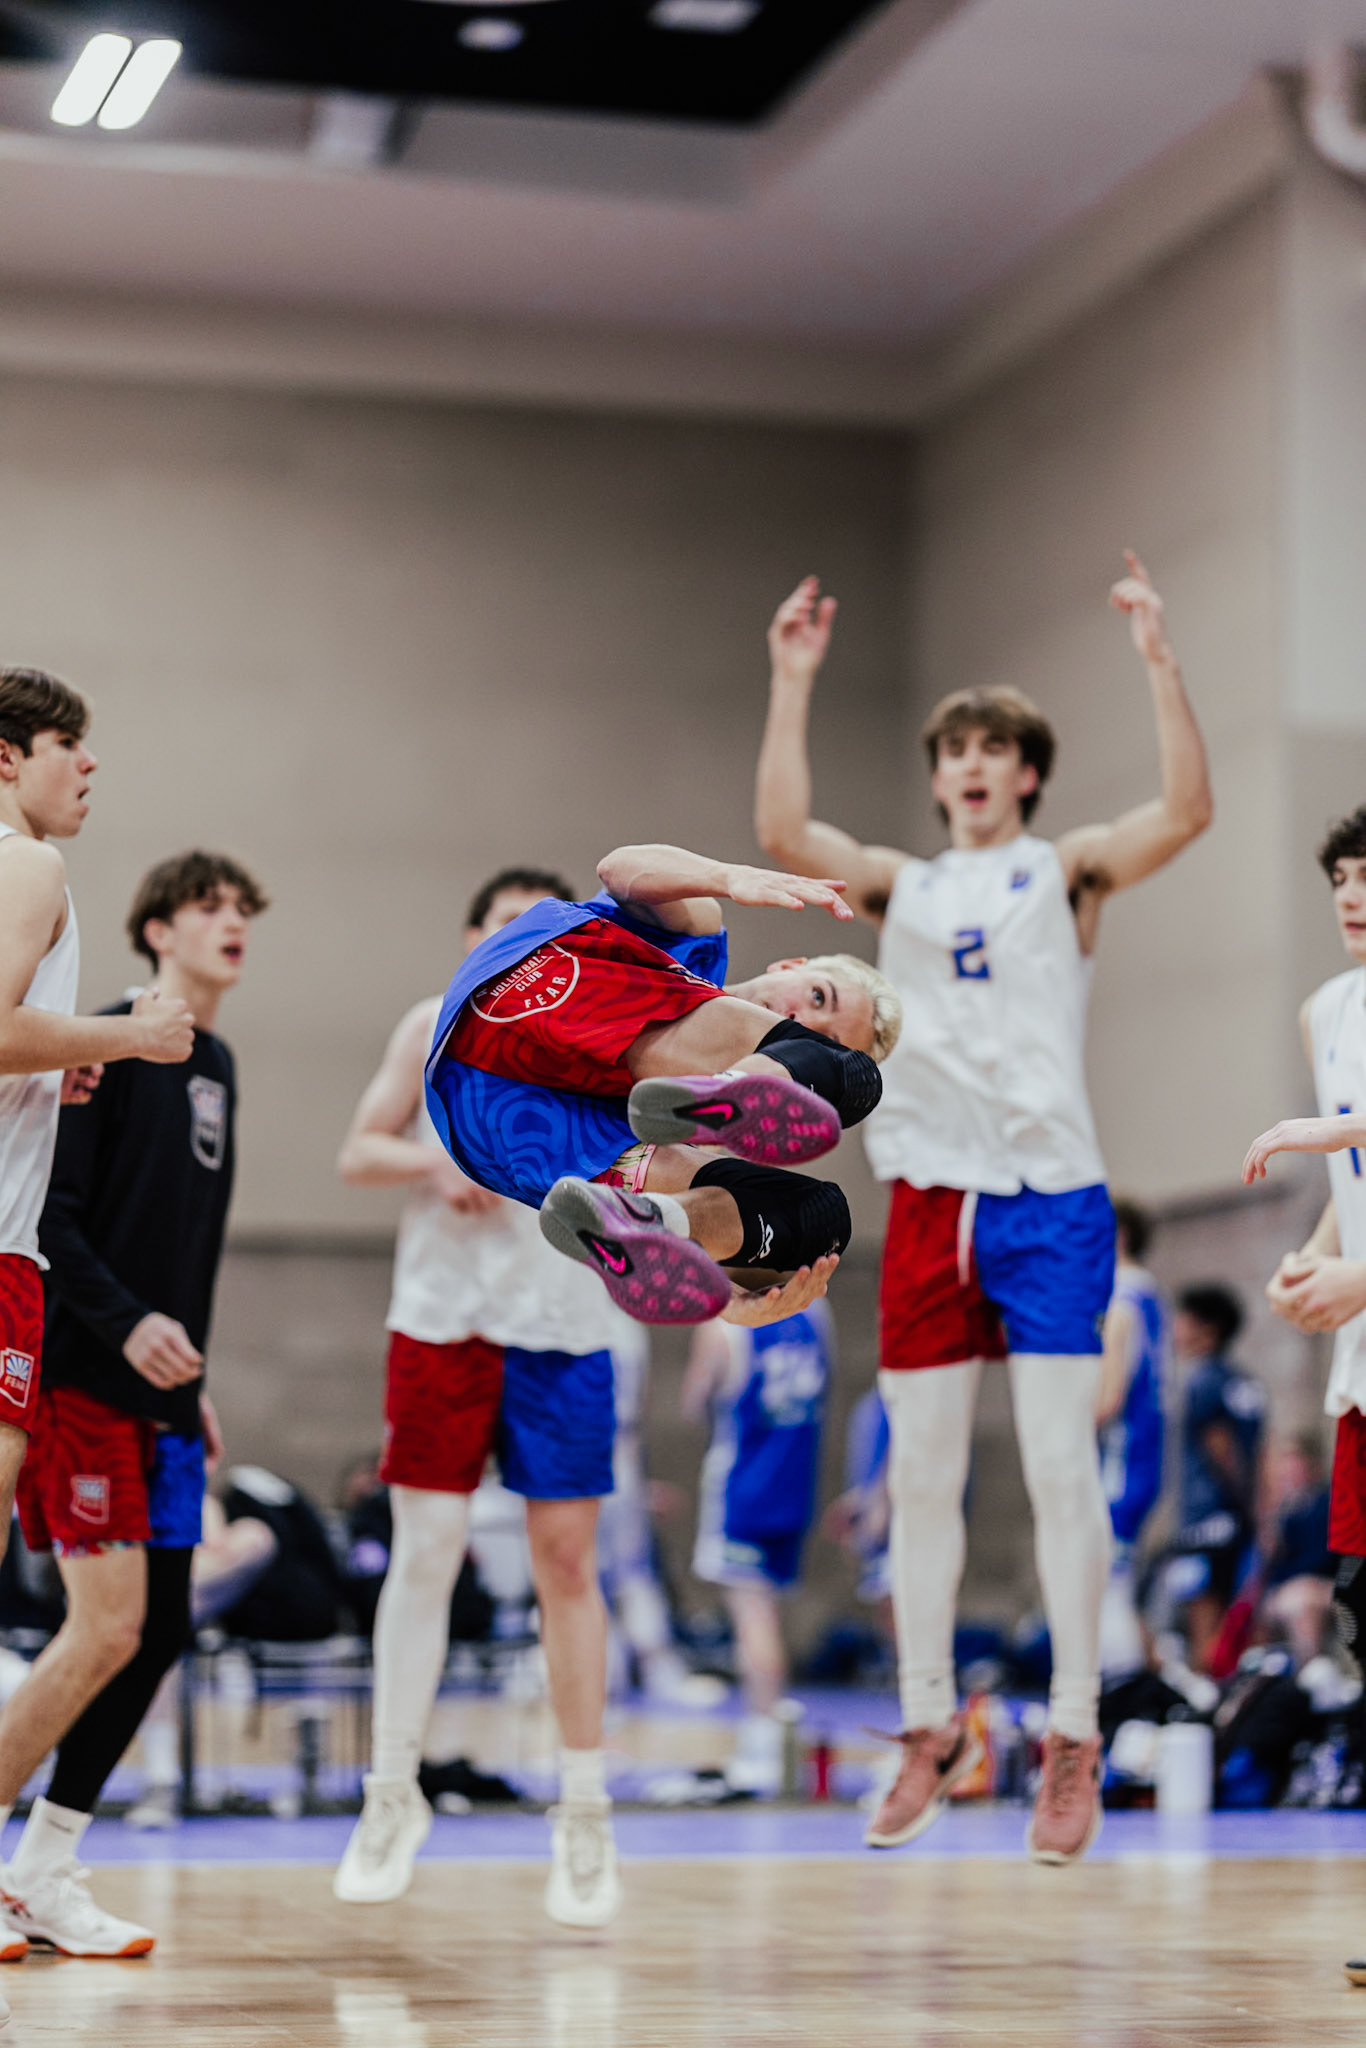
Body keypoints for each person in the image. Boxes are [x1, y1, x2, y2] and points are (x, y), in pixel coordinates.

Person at [753, 555, 1212, 1862]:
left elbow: (1186, 811)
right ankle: (926, 1728)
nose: (967, 764)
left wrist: (1157, 658)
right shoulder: (899, 883)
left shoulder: (1064, 871)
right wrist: (791, 679)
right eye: (952, 748)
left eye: (990, 747)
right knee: (922, 1473)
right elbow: (785, 834)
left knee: (1063, 1468)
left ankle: (1070, 1731)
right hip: (928, 1197)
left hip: (1049, 1195)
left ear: (1025, 772)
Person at [332, 867, 654, 1929]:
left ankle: (585, 1810)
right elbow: (358, 1150)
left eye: (543, 928)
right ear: (473, 936)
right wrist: (434, 1163)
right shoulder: (432, 1021)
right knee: (425, 1552)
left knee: (567, 1563)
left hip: (563, 1326)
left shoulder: (607, 1036)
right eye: (505, 923)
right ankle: (391, 1792)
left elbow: (654, 1164)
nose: (523, 940)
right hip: (443, 1321)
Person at [0, 851, 265, 1959]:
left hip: (163, 1398)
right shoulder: (103, 1043)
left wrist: (190, 1382)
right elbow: (52, 1217)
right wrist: (127, 1326)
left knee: (156, 1632)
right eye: (208, 905)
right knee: (103, 1625)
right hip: (81, 1378)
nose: (232, 921)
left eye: (243, 908)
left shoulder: (220, 1063)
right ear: (156, 929)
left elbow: (185, 1248)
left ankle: (43, 1870)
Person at [0, 672, 194, 2008]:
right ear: (7, 756)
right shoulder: (27, 863)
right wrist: (125, 1036)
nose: (90, 767)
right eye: (71, 744)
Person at [424, 843, 902, 1329]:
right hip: (523, 990)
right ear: (789, 965)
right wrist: (726, 876)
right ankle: (730, 1084)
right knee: (859, 1081)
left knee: (823, 1219)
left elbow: (724, 1260)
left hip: (492, 1123)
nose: (805, 1023)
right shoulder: (697, 941)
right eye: (818, 997)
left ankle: (649, 1218)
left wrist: (728, 1301)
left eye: (824, 1041)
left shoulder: (697, 1132)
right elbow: (617, 868)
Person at [1239, 805, 1366, 1983]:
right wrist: (1314, 1258)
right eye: (1340, 876)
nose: (1352, 894)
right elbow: (1352, 1174)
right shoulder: (1328, 1007)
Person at [683, 1301, 832, 1791]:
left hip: (743, 1489)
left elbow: (694, 1403)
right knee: (769, 1614)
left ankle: (765, 1738)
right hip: (794, 1486)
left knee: (753, 1618)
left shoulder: (725, 1325)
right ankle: (774, 1735)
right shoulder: (816, 1313)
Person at [1164, 1284, 1264, 1672]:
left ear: (1208, 1329)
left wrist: (1244, 1499)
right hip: (1236, 1518)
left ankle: (1207, 1690)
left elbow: (1220, 1445)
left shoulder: (1203, 1381)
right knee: (1234, 1610)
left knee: (1203, 1608)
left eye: (1184, 1320)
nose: (1176, 1328)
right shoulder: (1245, 1382)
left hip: (1209, 1515)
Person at [1095, 1200, 1168, 1681]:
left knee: (1108, 1578)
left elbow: (1109, 1397)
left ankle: (1120, 1685)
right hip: (1144, 1454)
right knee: (1116, 1574)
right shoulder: (1150, 1295)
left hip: (1123, 1456)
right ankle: (1147, 1675)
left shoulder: (1122, 1302)